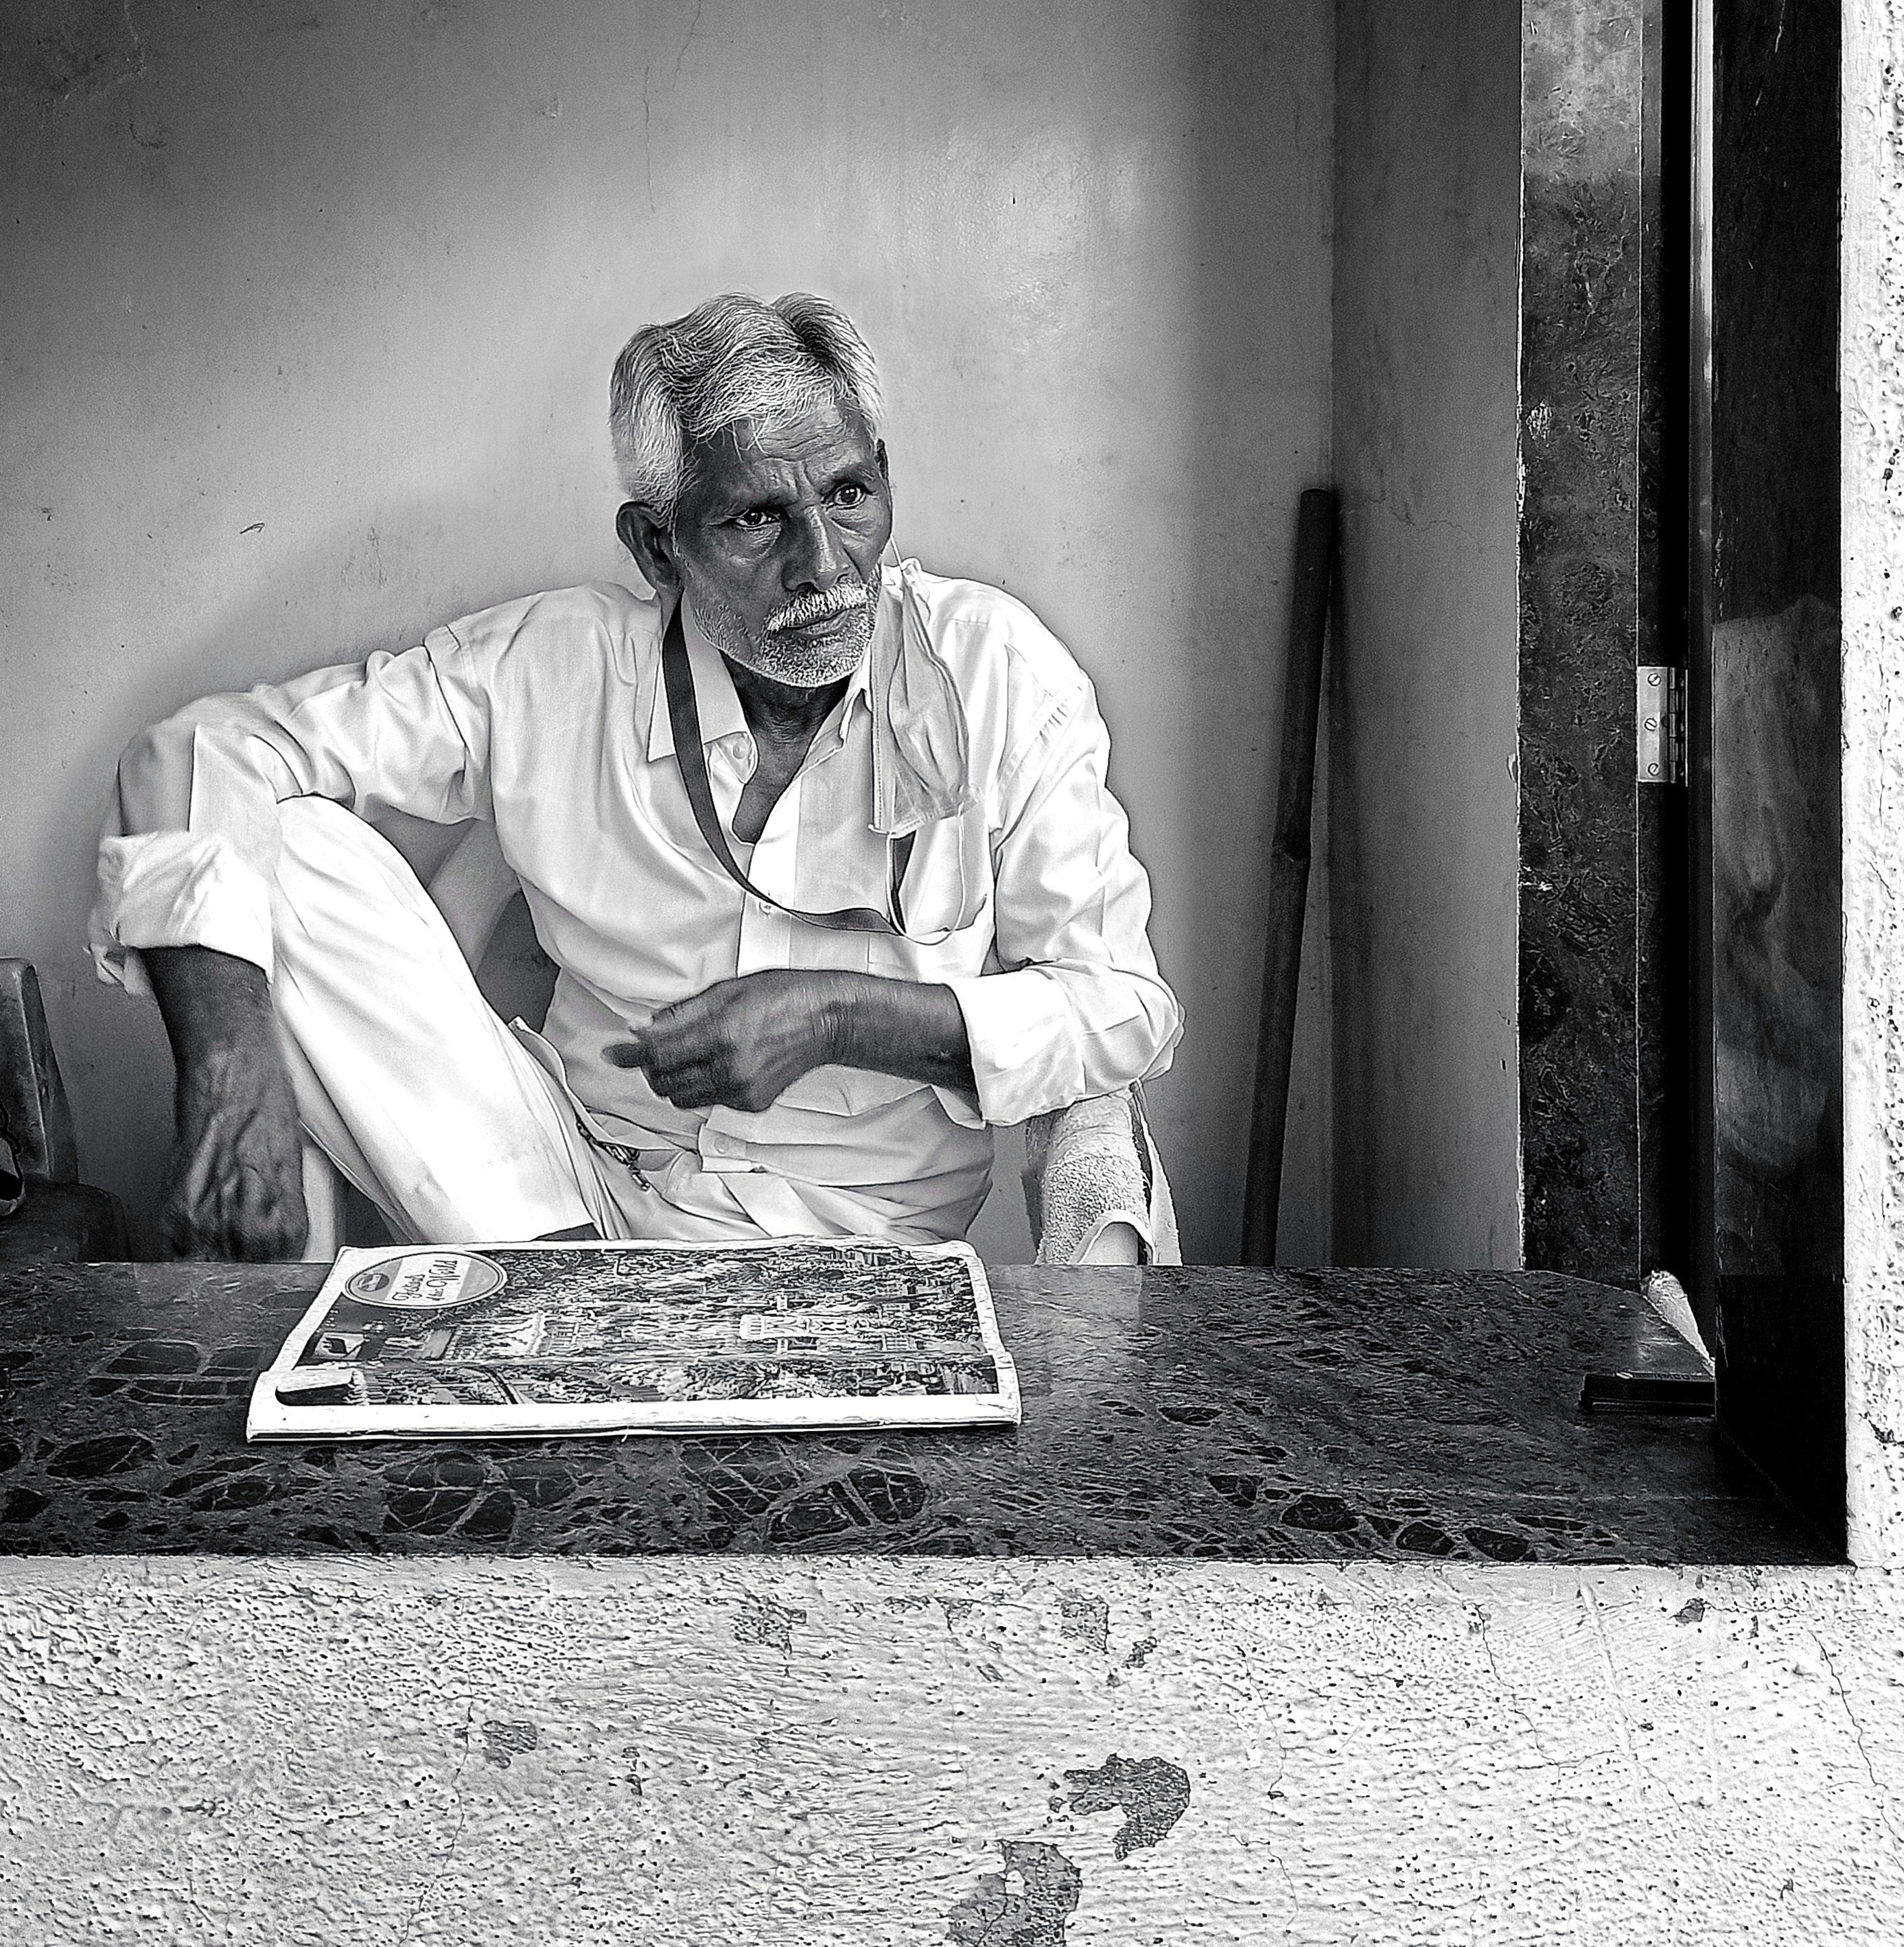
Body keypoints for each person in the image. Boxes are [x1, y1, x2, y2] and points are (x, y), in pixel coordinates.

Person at [90, 292, 1181, 1262]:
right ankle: (570, 1296)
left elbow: (1120, 1010)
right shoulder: (551, 669)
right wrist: (232, 1072)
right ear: (656, 545)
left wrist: (849, 1016)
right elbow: (198, 750)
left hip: (861, 1259)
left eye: (847, 497)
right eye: (757, 517)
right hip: (560, 1203)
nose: (821, 565)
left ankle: (578, 1320)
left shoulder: (996, 670)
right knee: (296, 852)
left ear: (883, 480)